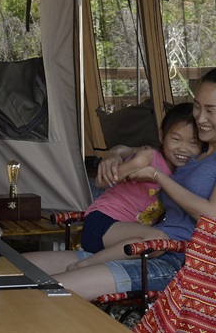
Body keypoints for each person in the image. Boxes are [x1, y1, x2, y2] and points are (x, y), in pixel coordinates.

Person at [26, 66, 216, 300]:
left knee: (46, 292)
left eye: (211, 110)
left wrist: (156, 176)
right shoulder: (194, 153)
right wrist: (114, 154)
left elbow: (215, 216)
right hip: (136, 246)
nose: (200, 118)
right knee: (16, 269)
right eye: (197, 106)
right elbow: (146, 152)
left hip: (178, 260)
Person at [78, 102, 200, 259]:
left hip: (127, 235)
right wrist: (135, 164)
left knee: (153, 243)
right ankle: (85, 265)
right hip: (102, 224)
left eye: (193, 143)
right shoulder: (149, 157)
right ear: (162, 136)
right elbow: (101, 182)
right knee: (158, 239)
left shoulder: (185, 173)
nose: (183, 148)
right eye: (176, 139)